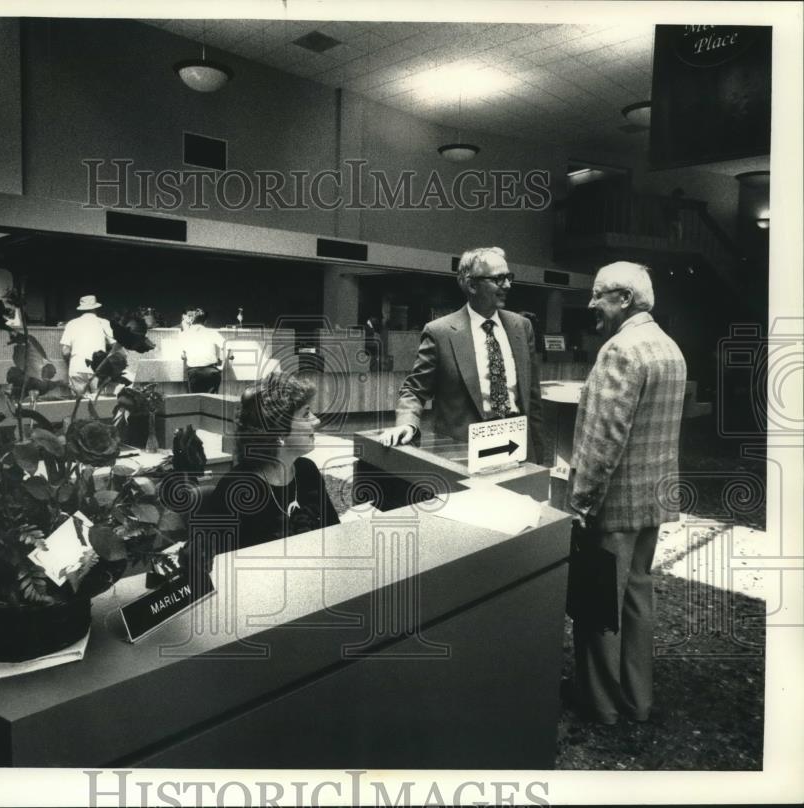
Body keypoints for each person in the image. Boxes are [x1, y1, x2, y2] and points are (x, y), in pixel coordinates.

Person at [568, 261, 687, 725]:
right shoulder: (669, 347)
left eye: (599, 295)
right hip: (653, 501)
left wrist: (580, 501)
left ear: (624, 299)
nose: (591, 304)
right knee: (638, 599)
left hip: (613, 506)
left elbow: (604, 439)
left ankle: (599, 704)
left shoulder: (620, 350)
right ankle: (638, 700)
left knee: (598, 607)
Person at [380, 246, 545, 463]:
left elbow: (532, 398)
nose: (507, 285)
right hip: (464, 453)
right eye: (498, 279)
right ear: (471, 285)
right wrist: (406, 423)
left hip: (519, 450)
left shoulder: (522, 327)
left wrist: (538, 456)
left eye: (509, 277)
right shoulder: (440, 332)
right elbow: (414, 389)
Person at [187, 371, 340, 575]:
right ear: (278, 431)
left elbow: (333, 535)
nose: (316, 421)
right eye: (306, 414)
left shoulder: (307, 470)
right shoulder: (237, 488)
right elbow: (224, 573)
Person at [60, 294, 115, 396]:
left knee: (78, 404)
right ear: (95, 308)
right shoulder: (104, 323)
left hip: (76, 367)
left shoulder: (72, 323)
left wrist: (71, 362)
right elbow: (115, 346)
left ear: (81, 309)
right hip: (97, 367)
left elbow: (65, 351)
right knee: (98, 404)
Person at [179, 307, 226, 394]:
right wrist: (222, 366)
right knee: (212, 402)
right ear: (205, 321)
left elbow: (183, 356)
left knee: (195, 402)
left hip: (194, 373)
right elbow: (228, 347)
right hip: (211, 371)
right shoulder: (212, 332)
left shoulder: (184, 334)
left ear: (192, 320)